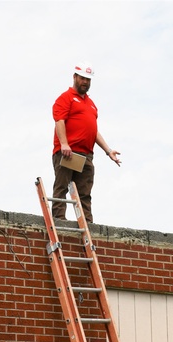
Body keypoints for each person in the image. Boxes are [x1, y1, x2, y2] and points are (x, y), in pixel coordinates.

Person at [51, 61, 122, 224]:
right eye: (82, 78)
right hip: (69, 152)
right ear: (75, 77)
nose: (85, 82)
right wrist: (64, 144)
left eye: (88, 79)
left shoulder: (90, 104)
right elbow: (59, 120)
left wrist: (108, 150)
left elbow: (93, 130)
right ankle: (59, 218)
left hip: (86, 154)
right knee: (62, 186)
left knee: (84, 191)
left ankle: (86, 222)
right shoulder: (65, 98)